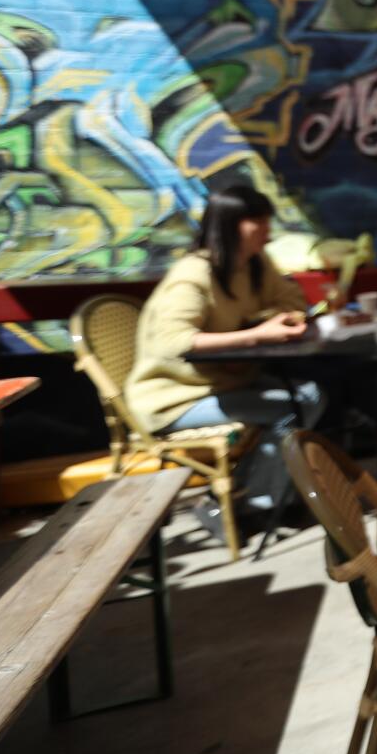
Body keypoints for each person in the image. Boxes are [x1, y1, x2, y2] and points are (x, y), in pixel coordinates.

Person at [129, 184, 326, 542]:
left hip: (226, 383)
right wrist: (256, 335)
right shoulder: (193, 275)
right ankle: (256, 501)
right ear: (233, 224)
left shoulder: (254, 263)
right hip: (175, 399)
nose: (268, 228)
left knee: (310, 394)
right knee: (297, 406)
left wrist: (275, 319)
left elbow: (291, 298)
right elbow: (174, 341)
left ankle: (249, 495)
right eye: (259, 221)